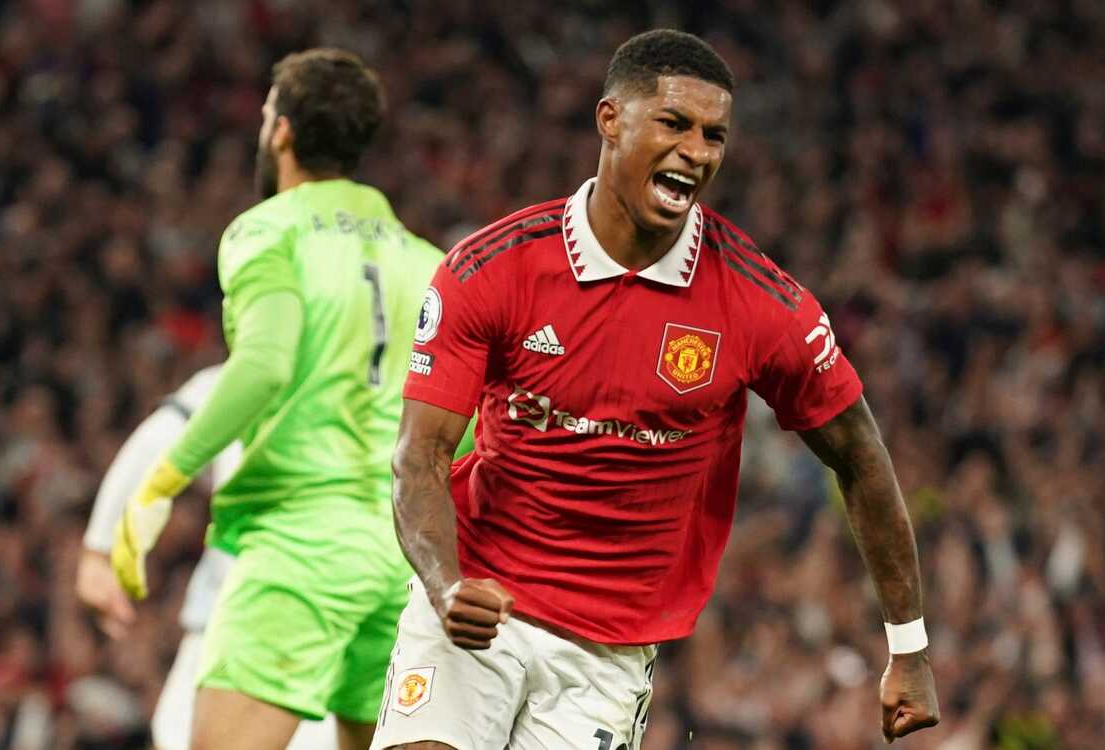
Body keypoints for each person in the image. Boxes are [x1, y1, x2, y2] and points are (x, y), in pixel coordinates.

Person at [375, 29, 940, 750]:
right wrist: (445, 583)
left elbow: (860, 454)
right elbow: (419, 456)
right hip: (478, 607)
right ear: (610, 120)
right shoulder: (492, 269)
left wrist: (909, 646)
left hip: (607, 651)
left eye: (714, 135)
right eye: (675, 124)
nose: (697, 152)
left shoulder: (759, 303)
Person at [109, 49, 446, 750]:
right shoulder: (430, 262)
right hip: (402, 556)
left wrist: (162, 483)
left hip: (300, 546)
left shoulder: (268, 230)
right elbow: (459, 421)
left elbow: (263, 365)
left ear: (282, 130)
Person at [77, 365, 337, 750]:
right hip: (322, 622)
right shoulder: (390, 379)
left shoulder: (260, 363)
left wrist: (98, 549)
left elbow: (156, 441)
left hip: (263, 620)